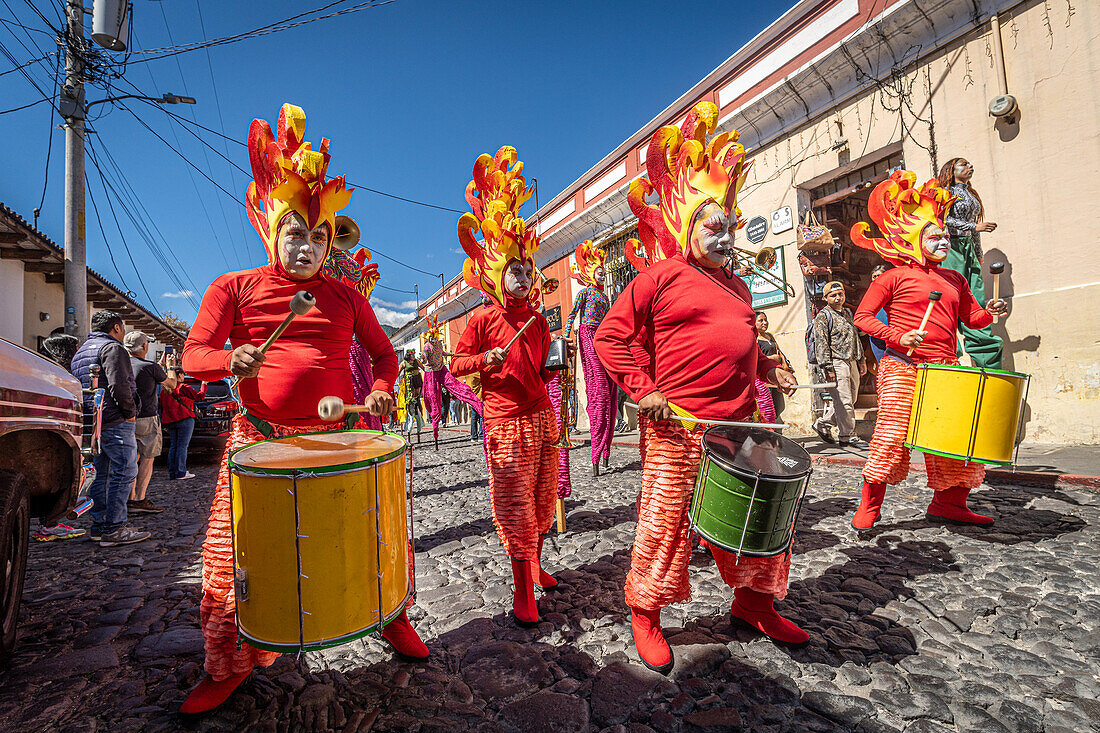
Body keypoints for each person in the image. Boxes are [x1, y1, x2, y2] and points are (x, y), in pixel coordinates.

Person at [179, 104, 427, 714]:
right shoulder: (233, 287)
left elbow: (385, 358)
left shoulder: (345, 295)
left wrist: (380, 389)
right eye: (296, 233)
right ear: (271, 231)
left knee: (377, 538)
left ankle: (391, 616)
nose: (309, 246)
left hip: (336, 437)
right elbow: (192, 355)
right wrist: (227, 360)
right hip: (256, 437)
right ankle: (229, 664)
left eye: (319, 236)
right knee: (227, 558)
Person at [595, 102, 803, 675]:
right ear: (689, 227)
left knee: (757, 519)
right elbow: (609, 338)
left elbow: (743, 342)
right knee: (664, 525)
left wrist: (769, 368)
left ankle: (754, 605)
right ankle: (646, 613)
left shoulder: (739, 285)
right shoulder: (658, 277)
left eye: (731, 224)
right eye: (716, 224)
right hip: (678, 429)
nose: (727, 233)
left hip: (739, 426)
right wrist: (643, 389)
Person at [850, 170, 1008, 531]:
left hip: (945, 369)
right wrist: (896, 336)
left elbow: (974, 320)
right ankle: (870, 507)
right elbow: (861, 318)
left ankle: (948, 505)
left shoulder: (956, 279)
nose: (943, 241)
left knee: (954, 441)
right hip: (903, 366)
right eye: (934, 235)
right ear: (912, 238)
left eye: (945, 235)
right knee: (890, 438)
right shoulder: (892, 276)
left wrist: (991, 312)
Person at [450, 145, 560, 626]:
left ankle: (536, 565)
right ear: (497, 274)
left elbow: (540, 368)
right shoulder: (481, 318)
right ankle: (521, 589)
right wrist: (483, 359)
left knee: (542, 498)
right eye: (516, 268)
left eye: (527, 268)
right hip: (505, 425)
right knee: (514, 506)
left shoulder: (537, 319)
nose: (524, 274)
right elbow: (456, 367)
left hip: (541, 418)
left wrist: (555, 368)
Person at [71, 311, 150, 547]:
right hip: (115, 420)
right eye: (122, 328)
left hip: (93, 421)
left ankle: (100, 525)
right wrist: (130, 413)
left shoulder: (82, 351)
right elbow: (120, 384)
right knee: (125, 471)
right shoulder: (112, 348)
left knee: (101, 474)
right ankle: (114, 527)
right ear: (116, 327)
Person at [937, 157, 1003, 368]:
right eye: (964, 164)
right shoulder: (945, 193)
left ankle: (984, 357)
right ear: (951, 170)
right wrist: (974, 228)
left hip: (968, 249)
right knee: (950, 297)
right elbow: (943, 220)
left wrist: (978, 251)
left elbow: (974, 226)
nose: (970, 166)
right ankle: (949, 355)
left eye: (970, 164)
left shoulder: (970, 194)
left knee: (975, 297)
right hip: (951, 248)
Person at [563, 240, 617, 476]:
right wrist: (566, 338)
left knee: (611, 395)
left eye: (604, 273)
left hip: (604, 338)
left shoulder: (605, 298)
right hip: (588, 336)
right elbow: (571, 316)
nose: (603, 276)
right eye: (599, 272)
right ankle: (596, 452)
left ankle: (605, 451)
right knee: (600, 394)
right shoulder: (585, 292)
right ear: (590, 272)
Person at [34, 334, 87, 541]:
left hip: (45, 433)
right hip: (55, 435)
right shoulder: (60, 375)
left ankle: (49, 522)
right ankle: (50, 523)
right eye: (75, 348)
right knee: (61, 477)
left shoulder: (40, 370)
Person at [123, 331, 175, 514]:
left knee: (130, 460)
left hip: (124, 419)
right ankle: (140, 498)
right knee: (147, 459)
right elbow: (171, 385)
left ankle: (129, 498)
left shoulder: (122, 364)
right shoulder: (150, 367)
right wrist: (170, 368)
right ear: (144, 347)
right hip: (147, 418)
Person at [811, 282, 867, 448]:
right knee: (844, 401)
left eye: (840, 294)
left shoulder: (847, 313)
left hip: (851, 361)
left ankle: (823, 423)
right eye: (833, 295)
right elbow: (821, 344)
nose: (838, 298)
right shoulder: (823, 316)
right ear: (826, 297)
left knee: (851, 399)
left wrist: (862, 359)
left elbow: (855, 337)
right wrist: (828, 368)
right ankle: (847, 435)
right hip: (836, 362)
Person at [160, 368, 204, 480]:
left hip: (170, 421)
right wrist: (204, 384)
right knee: (182, 446)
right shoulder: (182, 387)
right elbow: (200, 396)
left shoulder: (164, 390)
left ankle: (173, 472)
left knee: (173, 446)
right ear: (179, 375)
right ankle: (181, 472)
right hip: (184, 419)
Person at [753, 311, 790, 422]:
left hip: (775, 373)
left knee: (779, 405)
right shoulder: (754, 339)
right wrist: (773, 358)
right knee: (767, 406)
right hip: (763, 378)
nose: (765, 322)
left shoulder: (769, 336)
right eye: (760, 320)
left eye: (766, 320)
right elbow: (755, 359)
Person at [866, 265, 890, 366]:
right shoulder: (869, 295)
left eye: (879, 275)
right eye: (874, 276)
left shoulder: (894, 292)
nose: (876, 278)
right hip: (875, 336)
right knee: (882, 366)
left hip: (892, 335)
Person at [400, 351, 425, 439]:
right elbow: (398, 372)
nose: (413, 356)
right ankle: (410, 418)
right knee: (410, 400)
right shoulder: (404, 363)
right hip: (408, 382)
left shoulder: (417, 361)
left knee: (417, 399)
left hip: (417, 380)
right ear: (408, 356)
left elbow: (423, 368)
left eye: (414, 354)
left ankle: (417, 407)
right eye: (412, 355)